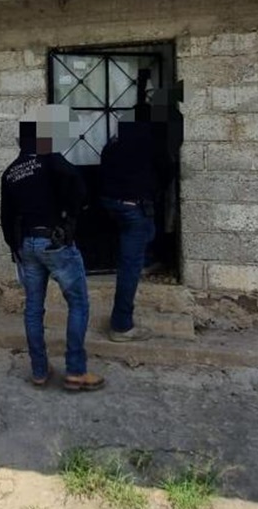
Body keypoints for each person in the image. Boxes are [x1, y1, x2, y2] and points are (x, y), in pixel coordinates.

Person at [0, 105, 105, 392]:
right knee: (79, 303)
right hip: (55, 243)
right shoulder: (51, 161)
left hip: (27, 247)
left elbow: (5, 218)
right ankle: (75, 371)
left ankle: (39, 371)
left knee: (33, 309)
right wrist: (69, 215)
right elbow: (79, 187)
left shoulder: (10, 173)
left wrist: (16, 250)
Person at [98, 102, 172, 342]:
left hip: (112, 204)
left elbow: (103, 168)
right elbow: (167, 170)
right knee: (130, 265)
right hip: (135, 207)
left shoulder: (113, 145)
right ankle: (121, 325)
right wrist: (153, 189)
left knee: (141, 236)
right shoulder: (152, 142)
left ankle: (147, 258)